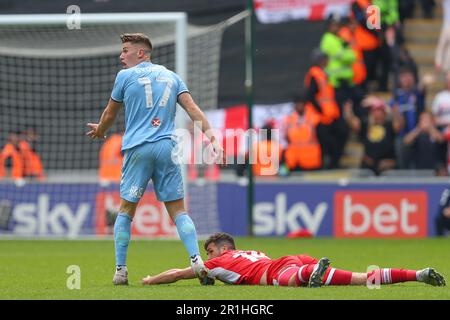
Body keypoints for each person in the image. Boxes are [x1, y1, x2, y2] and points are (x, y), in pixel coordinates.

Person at [86, 33, 224, 286]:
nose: (121, 55)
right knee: (178, 211)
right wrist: (212, 138)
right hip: (167, 148)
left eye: (126, 50)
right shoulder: (172, 77)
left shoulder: (125, 77)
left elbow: (110, 112)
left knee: (126, 210)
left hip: (138, 149)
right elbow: (192, 109)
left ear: (141, 53)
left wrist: (101, 130)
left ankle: (120, 270)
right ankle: (196, 259)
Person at [141, 232, 446, 287]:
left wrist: (151, 279)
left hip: (280, 270)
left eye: (209, 251)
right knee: (361, 279)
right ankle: (417, 274)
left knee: (280, 281)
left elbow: (180, 274)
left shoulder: (221, 262)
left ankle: (307, 276)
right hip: (292, 258)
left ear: (222, 249)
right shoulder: (252, 251)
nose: (207, 257)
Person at [344, 96, 403, 175]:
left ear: (384, 112)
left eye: (378, 110)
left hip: (387, 166)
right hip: (368, 165)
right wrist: (348, 111)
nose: (376, 113)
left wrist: (396, 112)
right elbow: (353, 122)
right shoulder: (366, 125)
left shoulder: (389, 125)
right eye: (374, 111)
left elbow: (399, 125)